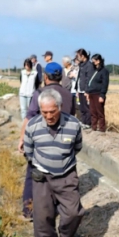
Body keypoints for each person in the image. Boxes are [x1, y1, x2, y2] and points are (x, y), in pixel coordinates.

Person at [24, 88, 84, 237]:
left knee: (74, 212)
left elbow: (77, 147)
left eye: (52, 111)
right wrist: (36, 166)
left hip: (66, 174)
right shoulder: (33, 126)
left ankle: (66, 236)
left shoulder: (73, 125)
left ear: (60, 107)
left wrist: (62, 162)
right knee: (43, 215)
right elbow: (28, 150)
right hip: (42, 175)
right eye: (44, 112)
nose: (48, 116)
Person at [18, 62, 74, 219]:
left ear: (45, 77)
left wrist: (22, 138)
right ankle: (54, 210)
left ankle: (29, 211)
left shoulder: (40, 93)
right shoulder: (69, 95)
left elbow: (29, 118)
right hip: (63, 144)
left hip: (41, 142)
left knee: (33, 175)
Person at [85, 53, 109, 132]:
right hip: (91, 93)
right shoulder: (94, 70)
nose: (93, 62)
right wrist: (87, 92)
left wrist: (102, 95)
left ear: (98, 61)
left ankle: (102, 128)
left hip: (98, 94)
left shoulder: (104, 71)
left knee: (100, 112)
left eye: (94, 60)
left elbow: (105, 83)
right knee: (93, 111)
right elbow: (89, 81)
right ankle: (94, 127)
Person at [75, 49, 94, 128]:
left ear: (83, 56)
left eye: (78, 56)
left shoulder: (89, 65)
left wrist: (87, 90)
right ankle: (83, 122)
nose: (77, 58)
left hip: (85, 90)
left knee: (86, 107)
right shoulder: (81, 65)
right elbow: (79, 78)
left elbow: (88, 79)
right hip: (80, 89)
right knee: (81, 107)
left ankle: (88, 123)